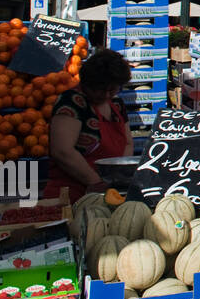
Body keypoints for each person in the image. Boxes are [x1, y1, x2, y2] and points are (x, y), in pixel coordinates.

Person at [42, 49, 133, 201]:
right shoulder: (72, 101)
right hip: (70, 195)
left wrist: (120, 178)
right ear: (86, 83)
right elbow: (62, 151)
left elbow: (128, 143)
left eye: (111, 90)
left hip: (108, 195)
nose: (105, 95)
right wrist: (96, 183)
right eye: (99, 89)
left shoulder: (117, 105)